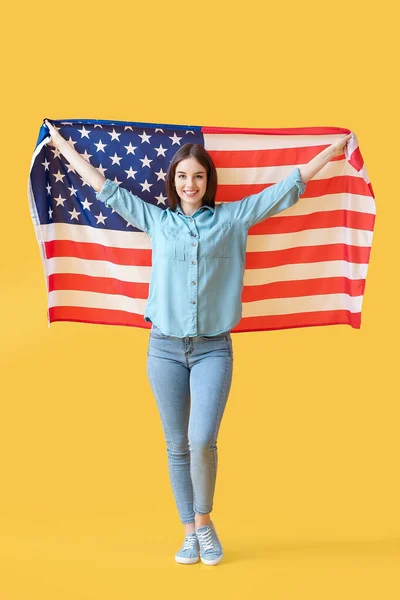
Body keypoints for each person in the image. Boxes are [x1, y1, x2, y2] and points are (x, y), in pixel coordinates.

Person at [44, 120, 352, 565]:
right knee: (176, 445)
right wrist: (61, 146)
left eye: (199, 176)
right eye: (183, 176)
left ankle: (204, 523)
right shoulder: (157, 219)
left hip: (213, 349)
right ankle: (189, 532)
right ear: (173, 181)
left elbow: (288, 187)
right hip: (163, 349)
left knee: (202, 438)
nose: (190, 183)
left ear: (209, 182)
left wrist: (331, 150)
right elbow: (103, 185)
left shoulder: (233, 218)